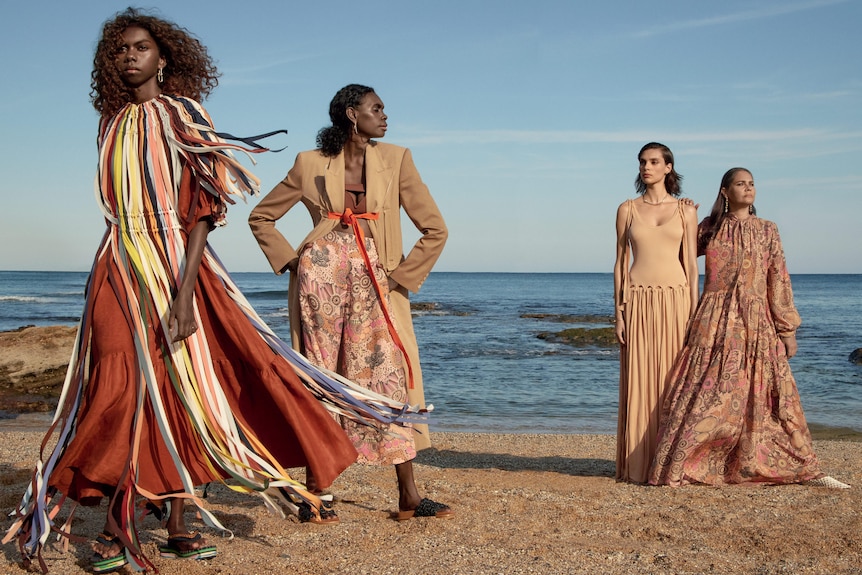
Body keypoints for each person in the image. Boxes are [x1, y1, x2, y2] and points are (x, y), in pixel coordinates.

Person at [2, 11, 419, 574]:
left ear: (164, 56)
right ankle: (152, 521)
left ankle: (149, 522)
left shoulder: (183, 115)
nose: (130, 56)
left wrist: (183, 290)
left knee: (183, 385)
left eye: (141, 47)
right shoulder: (109, 121)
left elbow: (203, 208)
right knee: (121, 383)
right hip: (117, 262)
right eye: (120, 49)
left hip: (176, 265)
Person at [249, 83, 453, 520]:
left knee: (388, 377)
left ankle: (409, 495)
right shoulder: (309, 163)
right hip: (320, 280)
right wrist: (293, 260)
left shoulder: (396, 159)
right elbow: (261, 216)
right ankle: (315, 493)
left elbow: (436, 228)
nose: (384, 116)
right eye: (376, 108)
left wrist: (401, 277)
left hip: (379, 282)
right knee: (320, 378)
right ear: (350, 114)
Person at [648, 168, 850, 488]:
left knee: (772, 398)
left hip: (758, 322)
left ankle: (803, 468)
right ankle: (688, 462)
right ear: (725, 191)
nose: (749, 188)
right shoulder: (710, 228)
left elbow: (778, 279)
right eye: (741, 184)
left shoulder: (768, 230)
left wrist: (788, 329)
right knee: (712, 394)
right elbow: (673, 252)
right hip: (713, 320)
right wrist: (682, 214)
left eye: (752, 184)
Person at [613, 142, 699, 483]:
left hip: (676, 302)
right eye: (642, 162)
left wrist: (694, 313)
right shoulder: (626, 209)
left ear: (668, 167)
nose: (646, 167)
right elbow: (620, 265)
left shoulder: (685, 211)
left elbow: (691, 267)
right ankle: (637, 465)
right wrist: (619, 313)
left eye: (653, 162)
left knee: (672, 383)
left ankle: (671, 464)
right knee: (639, 382)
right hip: (638, 301)